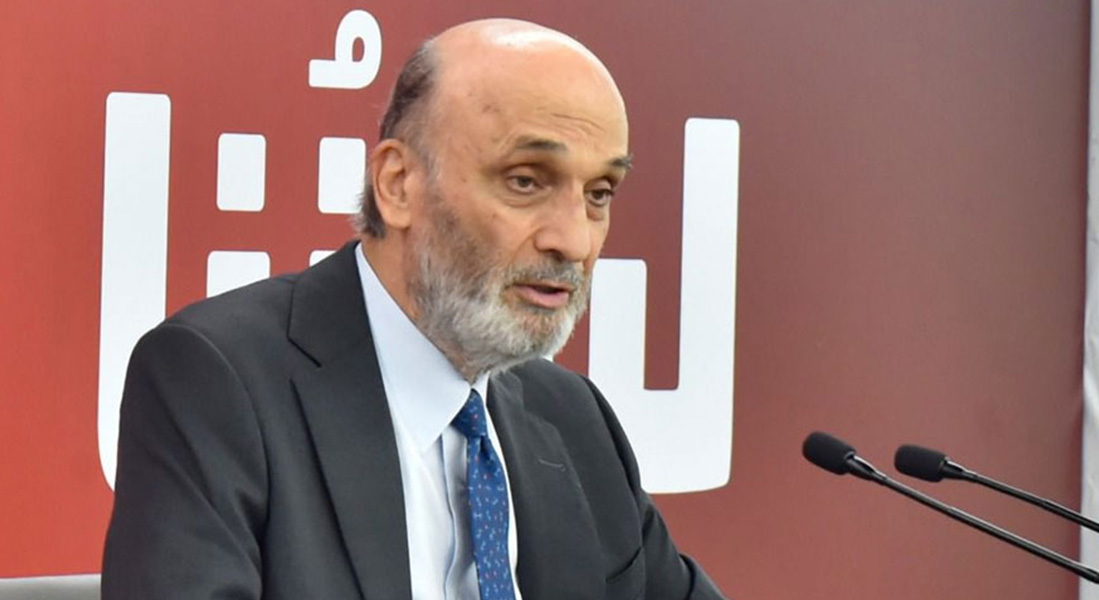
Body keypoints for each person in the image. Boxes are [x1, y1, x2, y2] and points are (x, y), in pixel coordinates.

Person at [102, 18, 727, 600]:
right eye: (526, 180)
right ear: (398, 184)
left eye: (599, 193)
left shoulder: (573, 418)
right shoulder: (218, 380)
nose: (575, 239)